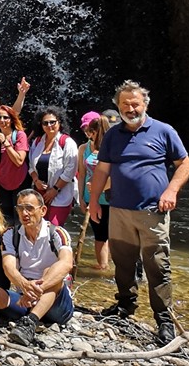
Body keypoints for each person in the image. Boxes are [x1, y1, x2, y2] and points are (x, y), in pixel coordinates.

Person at [89, 80, 189, 346]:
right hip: (120, 210)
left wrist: (171, 191)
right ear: (118, 106)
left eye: (135, 104)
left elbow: (185, 164)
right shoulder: (112, 134)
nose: (130, 109)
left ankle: (164, 319)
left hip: (152, 212)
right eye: (125, 104)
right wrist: (93, 202)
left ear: (145, 104)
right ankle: (124, 307)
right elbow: (102, 170)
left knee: (157, 265)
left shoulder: (163, 131)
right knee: (123, 263)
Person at [0, 189, 74, 346]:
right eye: (20, 208)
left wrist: (36, 289)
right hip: (24, 300)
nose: (24, 213)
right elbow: (8, 267)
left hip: (56, 305)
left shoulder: (58, 233)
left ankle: (30, 325)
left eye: (30, 208)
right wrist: (25, 286)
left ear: (43, 210)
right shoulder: (11, 234)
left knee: (51, 272)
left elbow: (66, 263)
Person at [28, 107, 78, 226]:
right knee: (38, 228)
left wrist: (55, 190)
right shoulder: (37, 142)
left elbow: (70, 170)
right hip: (40, 194)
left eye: (52, 122)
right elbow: (31, 165)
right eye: (45, 123)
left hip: (61, 193)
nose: (49, 125)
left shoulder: (67, 142)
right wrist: (36, 180)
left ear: (59, 122)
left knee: (53, 229)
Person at [77, 115, 110, 270]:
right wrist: (81, 198)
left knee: (116, 236)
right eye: (85, 129)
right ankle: (103, 266)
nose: (87, 133)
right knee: (100, 234)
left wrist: (100, 187)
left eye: (90, 130)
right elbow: (82, 174)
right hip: (92, 198)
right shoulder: (84, 148)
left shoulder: (111, 147)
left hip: (111, 198)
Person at [0, 105, 30, 223]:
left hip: (19, 183)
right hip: (2, 185)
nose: (2, 120)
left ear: (12, 119)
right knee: (4, 220)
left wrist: (5, 142)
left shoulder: (19, 135)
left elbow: (19, 161)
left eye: (5, 117)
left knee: (20, 220)